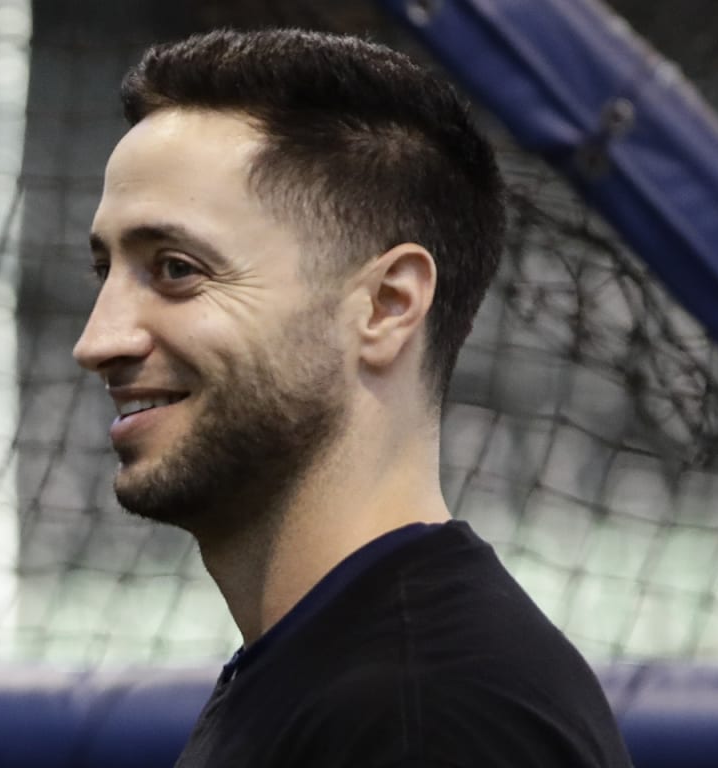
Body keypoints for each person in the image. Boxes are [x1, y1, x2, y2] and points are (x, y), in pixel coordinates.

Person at [74, 29, 633, 767]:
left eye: (176, 269)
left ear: (386, 306)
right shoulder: (336, 674)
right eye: (104, 271)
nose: (98, 339)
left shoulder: (427, 717)